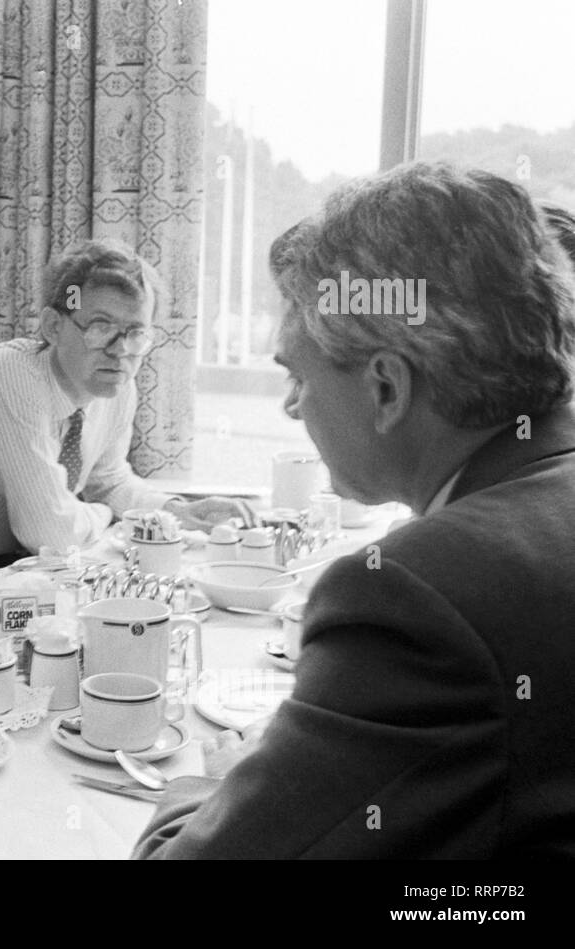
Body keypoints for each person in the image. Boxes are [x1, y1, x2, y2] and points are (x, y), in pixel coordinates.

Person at [136, 162, 575, 858]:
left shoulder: (420, 592)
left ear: (386, 388)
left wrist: (213, 784)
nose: (289, 404)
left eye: (297, 375)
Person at [0, 239, 246, 571]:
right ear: (53, 326)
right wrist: (102, 513)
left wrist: (175, 511)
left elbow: (109, 480)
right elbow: (50, 533)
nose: (120, 351)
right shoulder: (11, 375)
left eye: (135, 333)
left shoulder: (115, 384)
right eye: (101, 328)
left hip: (23, 568)